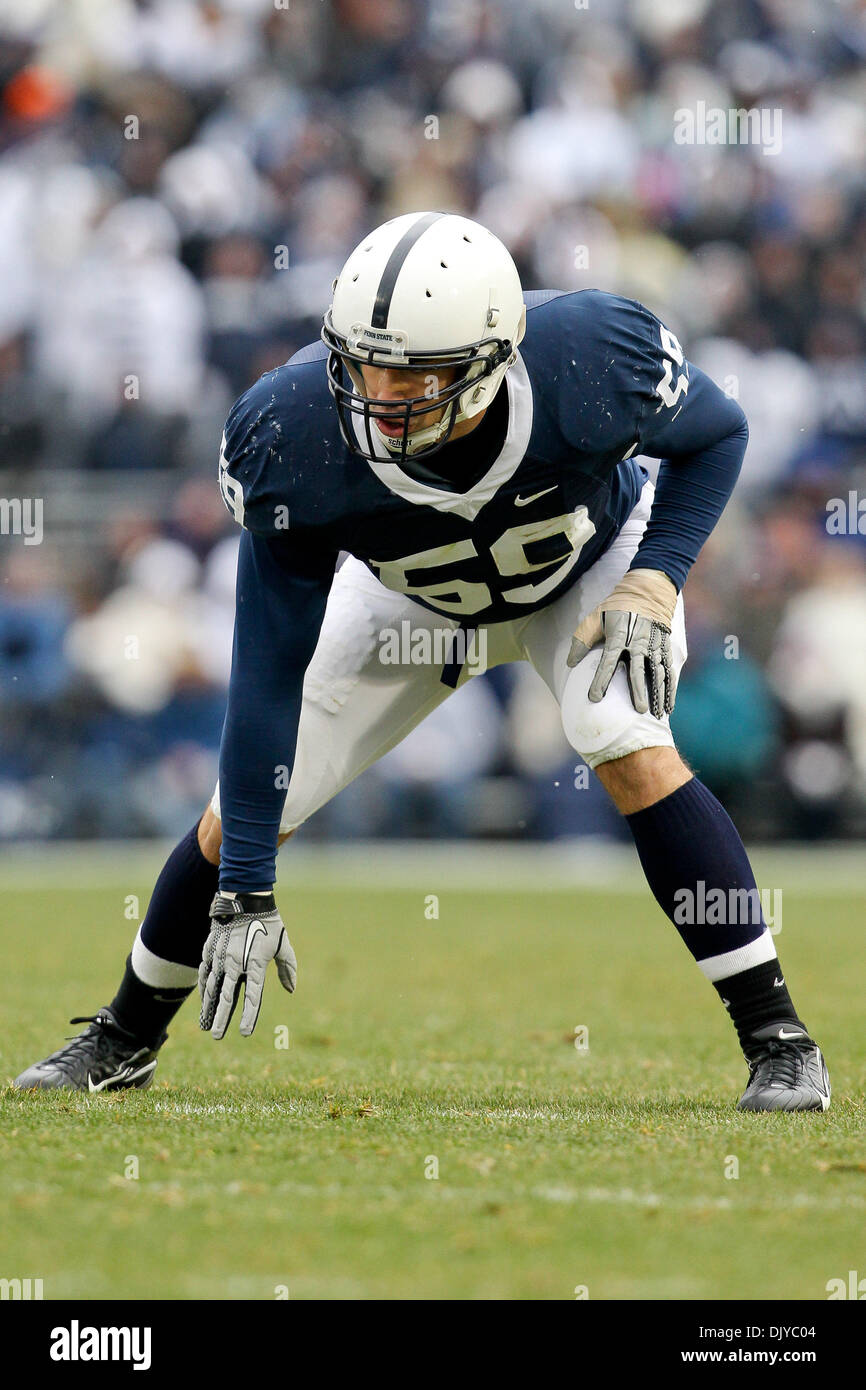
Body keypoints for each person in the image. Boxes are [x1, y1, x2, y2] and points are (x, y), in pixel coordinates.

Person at [15, 212, 830, 1111]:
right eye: (365, 364)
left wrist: (657, 578)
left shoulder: (589, 356)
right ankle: (124, 1037)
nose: (380, 393)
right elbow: (266, 673)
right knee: (243, 813)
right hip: (414, 597)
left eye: (413, 374)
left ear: (488, 362)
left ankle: (781, 1040)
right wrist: (247, 882)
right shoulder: (293, 434)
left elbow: (718, 434)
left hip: (587, 562)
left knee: (620, 732)